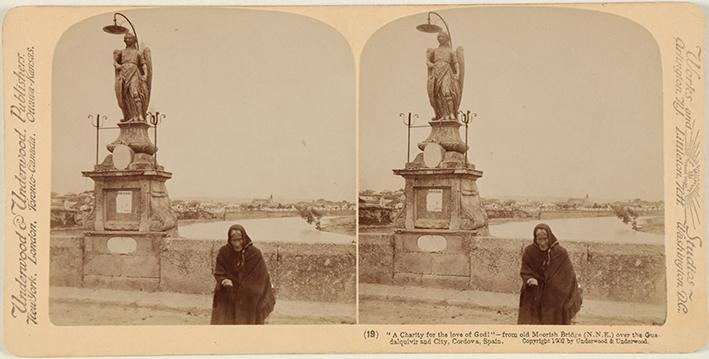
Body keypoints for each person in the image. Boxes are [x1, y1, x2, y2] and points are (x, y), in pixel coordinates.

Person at [517, 223, 582, 325]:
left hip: (555, 292)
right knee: (529, 296)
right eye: (539, 239)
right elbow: (525, 271)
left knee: (555, 299)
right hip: (535, 289)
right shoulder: (529, 251)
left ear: (550, 237)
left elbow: (568, 277)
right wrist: (529, 279)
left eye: (545, 239)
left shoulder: (560, 253)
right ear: (535, 239)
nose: (542, 243)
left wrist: (554, 286)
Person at [210, 224, 275, 324]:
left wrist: (245, 287)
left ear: (244, 238)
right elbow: (219, 272)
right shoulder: (224, 252)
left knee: (249, 296)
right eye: (234, 240)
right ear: (229, 240)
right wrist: (224, 280)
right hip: (230, 289)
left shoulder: (255, 253)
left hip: (249, 290)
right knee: (223, 295)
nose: (237, 244)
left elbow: (261, 277)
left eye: (239, 240)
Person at [426, 31, 464, 121]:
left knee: (446, 92)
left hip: (446, 71)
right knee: (438, 94)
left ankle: (451, 114)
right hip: (436, 72)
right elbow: (427, 60)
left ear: (446, 38)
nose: (440, 38)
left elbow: (456, 63)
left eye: (442, 37)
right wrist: (430, 64)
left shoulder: (451, 51)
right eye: (439, 37)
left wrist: (458, 73)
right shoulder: (435, 51)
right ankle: (443, 115)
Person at [113, 32, 151, 122]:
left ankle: (140, 116)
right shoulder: (122, 52)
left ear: (133, 40)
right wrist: (117, 65)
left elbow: (144, 64)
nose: (127, 40)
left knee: (135, 93)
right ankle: (131, 116)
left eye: (130, 38)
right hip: (123, 73)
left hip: (134, 73)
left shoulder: (137, 53)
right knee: (126, 96)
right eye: (126, 38)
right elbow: (114, 61)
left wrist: (145, 74)